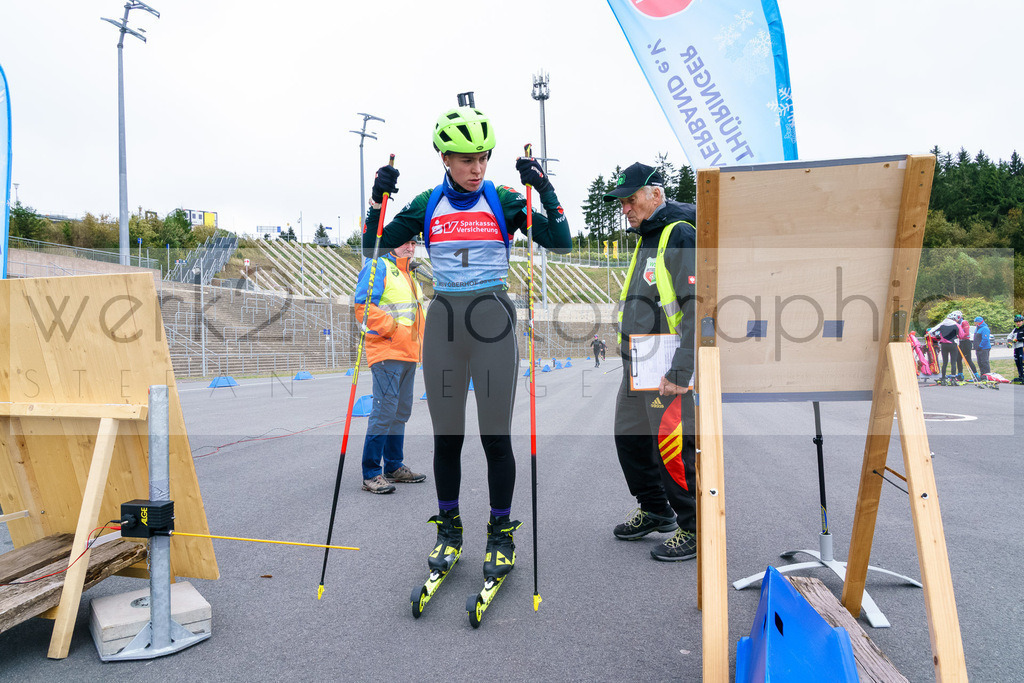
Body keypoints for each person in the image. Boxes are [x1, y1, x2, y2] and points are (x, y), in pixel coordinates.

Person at [363, 103, 571, 581]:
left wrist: (544, 188)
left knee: (495, 437)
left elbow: (560, 241)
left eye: (483, 158)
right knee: (447, 438)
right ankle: (449, 530)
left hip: (491, 321)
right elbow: (373, 247)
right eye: (465, 159)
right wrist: (377, 201)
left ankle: (500, 532)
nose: (477, 168)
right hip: (444, 323)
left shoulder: (503, 199)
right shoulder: (426, 203)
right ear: (445, 158)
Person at [603, 162, 697, 562]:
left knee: (672, 447)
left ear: (656, 194)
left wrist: (681, 370)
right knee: (630, 438)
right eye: (622, 202)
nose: (625, 208)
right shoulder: (648, 236)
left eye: (631, 199)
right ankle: (656, 509)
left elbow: (697, 307)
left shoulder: (679, 233)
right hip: (639, 360)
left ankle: (694, 526)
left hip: (665, 362)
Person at [354, 238, 427, 494]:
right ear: (392, 243)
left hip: (409, 354)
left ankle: (393, 466)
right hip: (387, 350)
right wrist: (394, 330)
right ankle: (371, 473)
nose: (410, 248)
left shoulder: (411, 275)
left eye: (413, 243)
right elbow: (363, 307)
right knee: (384, 412)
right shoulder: (379, 266)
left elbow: (416, 317)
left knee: (400, 412)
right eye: (405, 242)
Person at [928, 310, 963, 383]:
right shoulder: (957, 325)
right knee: (953, 362)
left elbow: (931, 331)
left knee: (945, 362)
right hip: (953, 344)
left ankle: (943, 378)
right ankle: (953, 379)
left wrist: (937, 337)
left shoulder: (943, 324)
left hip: (944, 345)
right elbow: (961, 335)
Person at [1008, 314, 1024, 383]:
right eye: (1017, 322)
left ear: (1022, 321)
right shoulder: (1015, 329)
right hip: (1016, 348)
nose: (1018, 323)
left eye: (1019, 322)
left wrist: (1018, 339)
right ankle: (1021, 376)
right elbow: (1009, 336)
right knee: (1017, 362)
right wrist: (1009, 341)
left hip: (1022, 347)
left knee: (1021, 362)